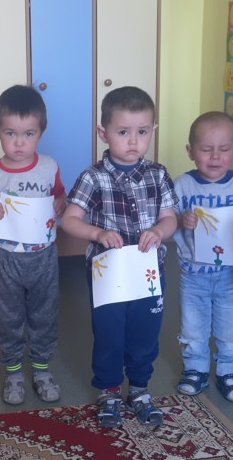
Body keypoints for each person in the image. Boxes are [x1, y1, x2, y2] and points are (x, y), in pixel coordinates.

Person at [61, 86, 177, 429]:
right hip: (108, 273)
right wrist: (97, 234)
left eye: (142, 132)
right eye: (123, 132)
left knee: (145, 333)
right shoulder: (93, 176)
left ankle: (139, 389)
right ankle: (109, 391)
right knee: (110, 333)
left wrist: (159, 231)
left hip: (148, 271)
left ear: (153, 131)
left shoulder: (158, 174)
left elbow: (170, 219)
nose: (133, 141)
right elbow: (69, 220)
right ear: (103, 133)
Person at [0, 85, 66, 406]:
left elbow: (59, 195)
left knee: (44, 313)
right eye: (10, 133)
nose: (19, 142)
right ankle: (13, 371)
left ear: (41, 132)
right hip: (6, 258)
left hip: (44, 255)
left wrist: (61, 204)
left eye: (29, 134)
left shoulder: (49, 166)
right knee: (9, 316)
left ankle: (41, 368)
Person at [173, 111, 233, 402]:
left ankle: (229, 371)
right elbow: (167, 222)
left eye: (223, 149)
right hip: (192, 273)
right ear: (190, 151)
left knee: (231, 326)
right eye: (206, 149)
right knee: (192, 326)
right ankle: (195, 369)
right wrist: (181, 220)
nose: (215, 156)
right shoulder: (182, 185)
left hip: (231, 274)